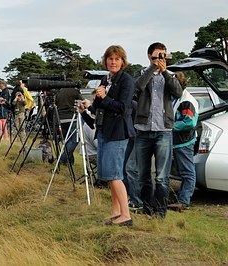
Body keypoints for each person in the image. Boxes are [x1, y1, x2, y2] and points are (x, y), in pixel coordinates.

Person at [80, 45, 135, 226]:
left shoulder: (127, 80)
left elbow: (123, 108)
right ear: (105, 61)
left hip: (118, 132)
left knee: (115, 174)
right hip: (103, 130)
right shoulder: (105, 78)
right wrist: (86, 108)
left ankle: (126, 215)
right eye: (110, 59)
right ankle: (115, 210)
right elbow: (99, 108)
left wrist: (104, 98)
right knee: (110, 174)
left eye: (117, 59)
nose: (113, 62)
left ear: (123, 61)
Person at [135, 42, 183, 219]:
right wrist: (152, 68)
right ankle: (147, 210)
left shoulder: (170, 75)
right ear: (149, 57)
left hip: (163, 130)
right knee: (143, 176)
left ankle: (160, 213)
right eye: (156, 56)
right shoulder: (142, 73)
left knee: (162, 177)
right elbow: (138, 87)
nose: (160, 60)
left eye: (162, 56)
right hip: (143, 130)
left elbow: (178, 92)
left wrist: (164, 71)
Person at [169, 72, 198, 210]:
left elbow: (189, 122)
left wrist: (169, 126)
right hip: (177, 141)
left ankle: (184, 201)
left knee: (187, 172)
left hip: (183, 142)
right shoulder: (178, 98)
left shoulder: (187, 101)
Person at [55, 84, 83, 165]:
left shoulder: (59, 92)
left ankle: (69, 162)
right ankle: (62, 159)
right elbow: (81, 101)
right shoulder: (74, 91)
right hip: (72, 118)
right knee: (74, 140)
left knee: (66, 141)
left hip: (61, 119)